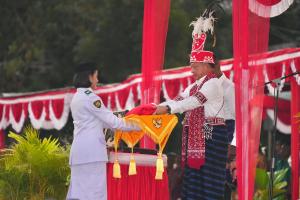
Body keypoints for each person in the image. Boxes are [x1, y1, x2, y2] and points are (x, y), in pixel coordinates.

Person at [155, 11, 228, 199]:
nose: (192, 70)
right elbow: (179, 100)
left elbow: (193, 102)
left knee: (209, 182)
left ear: (207, 65)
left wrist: (168, 109)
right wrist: (155, 107)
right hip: (197, 136)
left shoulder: (212, 83)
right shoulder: (194, 85)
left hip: (211, 136)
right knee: (193, 182)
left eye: (195, 66)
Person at [66, 62, 140, 200]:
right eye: (96, 76)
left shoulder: (77, 97)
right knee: (95, 195)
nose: (97, 80)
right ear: (89, 77)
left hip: (79, 154)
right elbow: (114, 122)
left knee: (77, 195)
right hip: (91, 154)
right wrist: (141, 125)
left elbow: (106, 122)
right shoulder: (90, 98)